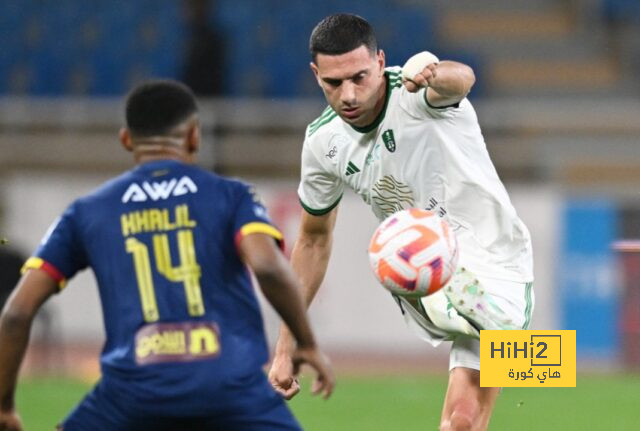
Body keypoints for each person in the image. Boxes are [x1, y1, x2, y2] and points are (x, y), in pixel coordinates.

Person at [0, 80, 333, 431]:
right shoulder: (232, 197)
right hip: (230, 390)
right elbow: (267, 267)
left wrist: (4, 405)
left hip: (129, 396)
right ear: (194, 136)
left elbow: (16, 313)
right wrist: (306, 342)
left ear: (126, 140)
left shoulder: (87, 213)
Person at [268, 13, 534, 431]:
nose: (349, 95)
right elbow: (314, 242)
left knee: (462, 420)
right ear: (315, 74)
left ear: (380, 62)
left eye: (360, 77)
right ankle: (532, 352)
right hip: (424, 273)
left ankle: (528, 348)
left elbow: (461, 79)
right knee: (511, 371)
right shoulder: (322, 144)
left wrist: (434, 74)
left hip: (494, 259)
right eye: (333, 84)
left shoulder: (414, 92)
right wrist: (287, 345)